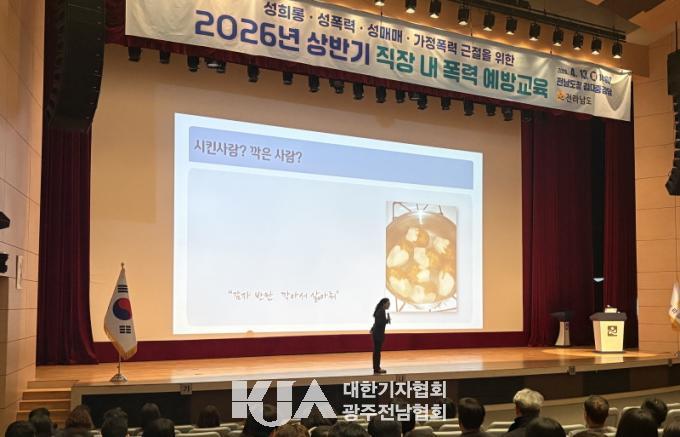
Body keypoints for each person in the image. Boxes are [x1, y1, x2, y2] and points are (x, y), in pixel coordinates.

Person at [371, 298, 391, 374]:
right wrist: (387, 320)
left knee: (377, 352)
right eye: (388, 303)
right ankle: (377, 369)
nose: (389, 305)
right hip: (378, 334)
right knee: (377, 352)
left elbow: (377, 322)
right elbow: (379, 323)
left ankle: (376, 368)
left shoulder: (380, 310)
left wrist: (372, 328)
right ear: (384, 304)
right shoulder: (381, 311)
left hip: (377, 333)